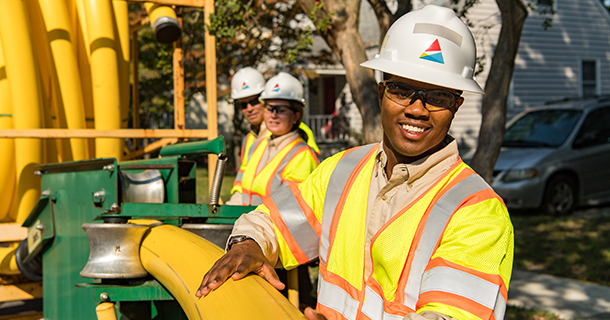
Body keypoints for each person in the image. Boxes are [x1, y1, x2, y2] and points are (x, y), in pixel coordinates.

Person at [198, 5, 513, 320]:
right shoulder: (342, 170)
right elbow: (275, 222)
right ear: (380, 93)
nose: (417, 109)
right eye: (402, 90)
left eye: (438, 97)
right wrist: (248, 243)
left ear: (456, 106)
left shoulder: (477, 211)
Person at [226, 72, 320, 206]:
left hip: (269, 224)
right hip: (247, 218)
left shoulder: (302, 153)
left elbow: (290, 206)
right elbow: (244, 180)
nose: (274, 115)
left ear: (296, 116)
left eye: (281, 110)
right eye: (270, 109)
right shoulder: (257, 144)